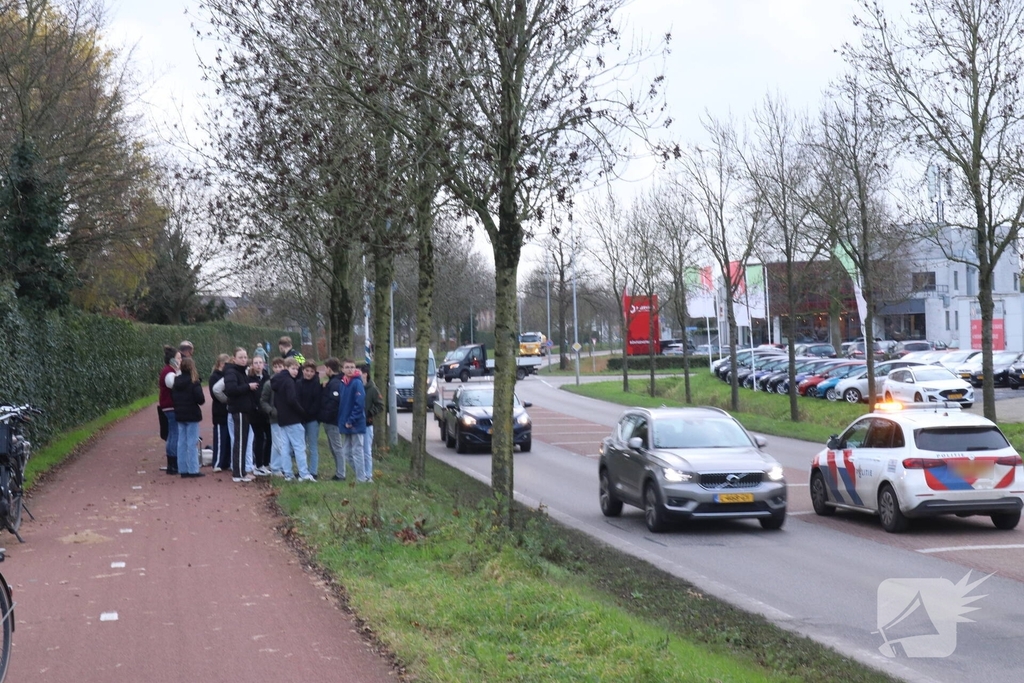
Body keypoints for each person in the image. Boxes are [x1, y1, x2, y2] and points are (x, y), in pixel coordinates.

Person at [271, 357, 314, 481]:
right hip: (293, 418)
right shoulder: (289, 381)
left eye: (297, 369)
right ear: (286, 368)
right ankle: (304, 474)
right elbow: (291, 399)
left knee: (285, 448)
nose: (295, 371)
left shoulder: (277, 380)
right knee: (299, 447)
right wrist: (302, 412)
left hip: (283, 418)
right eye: (293, 368)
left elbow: (276, 401)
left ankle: (288, 474)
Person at [223, 347, 259, 483]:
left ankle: (242, 471)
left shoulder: (242, 372)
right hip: (238, 410)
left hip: (245, 410)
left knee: (243, 442)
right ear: (234, 359)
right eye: (241, 357)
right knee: (240, 441)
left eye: (245, 357)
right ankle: (238, 473)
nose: (244, 360)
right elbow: (231, 390)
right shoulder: (231, 372)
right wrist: (248, 387)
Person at [171, 357, 206, 478]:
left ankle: (183, 469)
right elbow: (200, 400)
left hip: (180, 413)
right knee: (192, 442)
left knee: (181, 442)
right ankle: (193, 469)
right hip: (192, 414)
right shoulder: (194, 382)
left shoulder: (176, 381)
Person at [319, 359, 351, 481]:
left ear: (329, 368)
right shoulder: (334, 382)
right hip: (331, 420)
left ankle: (341, 474)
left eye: (325, 368)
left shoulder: (336, 384)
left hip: (333, 421)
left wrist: (326, 416)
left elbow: (334, 403)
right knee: (334, 447)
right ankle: (339, 472)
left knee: (337, 447)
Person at [337, 358, 368, 483]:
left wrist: (352, 420)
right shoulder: (343, 383)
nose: (350, 369)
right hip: (345, 421)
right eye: (347, 367)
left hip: (356, 422)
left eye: (352, 367)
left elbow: (359, 404)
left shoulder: (357, 383)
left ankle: (361, 478)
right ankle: (362, 475)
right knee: (346, 452)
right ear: (342, 369)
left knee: (357, 450)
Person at [296, 360, 323, 479]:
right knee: (301, 446)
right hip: (300, 418)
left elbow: (317, 402)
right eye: (307, 371)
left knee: (312, 446)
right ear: (303, 371)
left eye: (311, 371)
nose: (309, 373)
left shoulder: (316, 384)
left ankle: (313, 471)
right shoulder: (298, 383)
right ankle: (302, 469)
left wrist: (309, 414)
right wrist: (301, 413)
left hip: (312, 419)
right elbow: (296, 400)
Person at [261, 357, 287, 477]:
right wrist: (271, 411)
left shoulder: (288, 381)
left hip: (287, 418)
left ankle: (276, 467)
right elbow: (263, 401)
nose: (278, 369)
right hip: (275, 418)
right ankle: (282, 468)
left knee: (279, 444)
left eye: (280, 366)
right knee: (279, 443)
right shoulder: (269, 383)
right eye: (275, 367)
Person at [359, 363, 385, 482]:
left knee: (366, 450)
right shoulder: (354, 386)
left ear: (365, 374)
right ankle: (360, 473)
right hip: (355, 424)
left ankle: (368, 475)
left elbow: (380, 405)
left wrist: (369, 413)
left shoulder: (373, 389)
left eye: (358, 373)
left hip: (367, 424)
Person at [248, 355, 273, 476]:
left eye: (260, 362)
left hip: (266, 413)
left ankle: (266, 462)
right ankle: (258, 464)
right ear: (252, 365)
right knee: (259, 438)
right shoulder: (250, 378)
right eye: (256, 363)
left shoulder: (268, 378)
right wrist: (255, 407)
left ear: (264, 364)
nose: (258, 365)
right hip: (255, 413)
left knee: (269, 438)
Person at [159, 346, 181, 475]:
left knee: (173, 433)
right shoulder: (169, 372)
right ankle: (172, 463)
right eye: (178, 358)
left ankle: (172, 463)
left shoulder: (168, 371)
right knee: (174, 434)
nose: (180, 360)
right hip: (170, 406)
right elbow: (173, 385)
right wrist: (178, 371)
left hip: (169, 406)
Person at [209, 354, 232, 472]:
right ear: (221, 364)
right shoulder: (214, 377)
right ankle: (217, 463)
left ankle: (226, 462)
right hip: (219, 411)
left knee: (228, 438)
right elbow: (215, 394)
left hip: (228, 412)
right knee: (220, 439)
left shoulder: (227, 376)